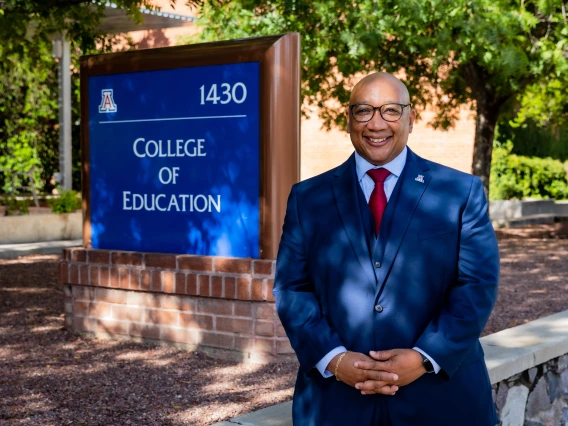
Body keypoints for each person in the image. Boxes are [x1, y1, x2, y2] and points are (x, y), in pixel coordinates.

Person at [273, 72, 499, 426]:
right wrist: (333, 359)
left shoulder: (460, 192)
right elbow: (292, 288)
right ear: (348, 118)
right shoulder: (307, 198)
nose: (376, 123)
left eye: (391, 110)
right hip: (337, 403)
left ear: (411, 117)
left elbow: (477, 285)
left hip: (442, 399)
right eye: (364, 110)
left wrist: (425, 356)